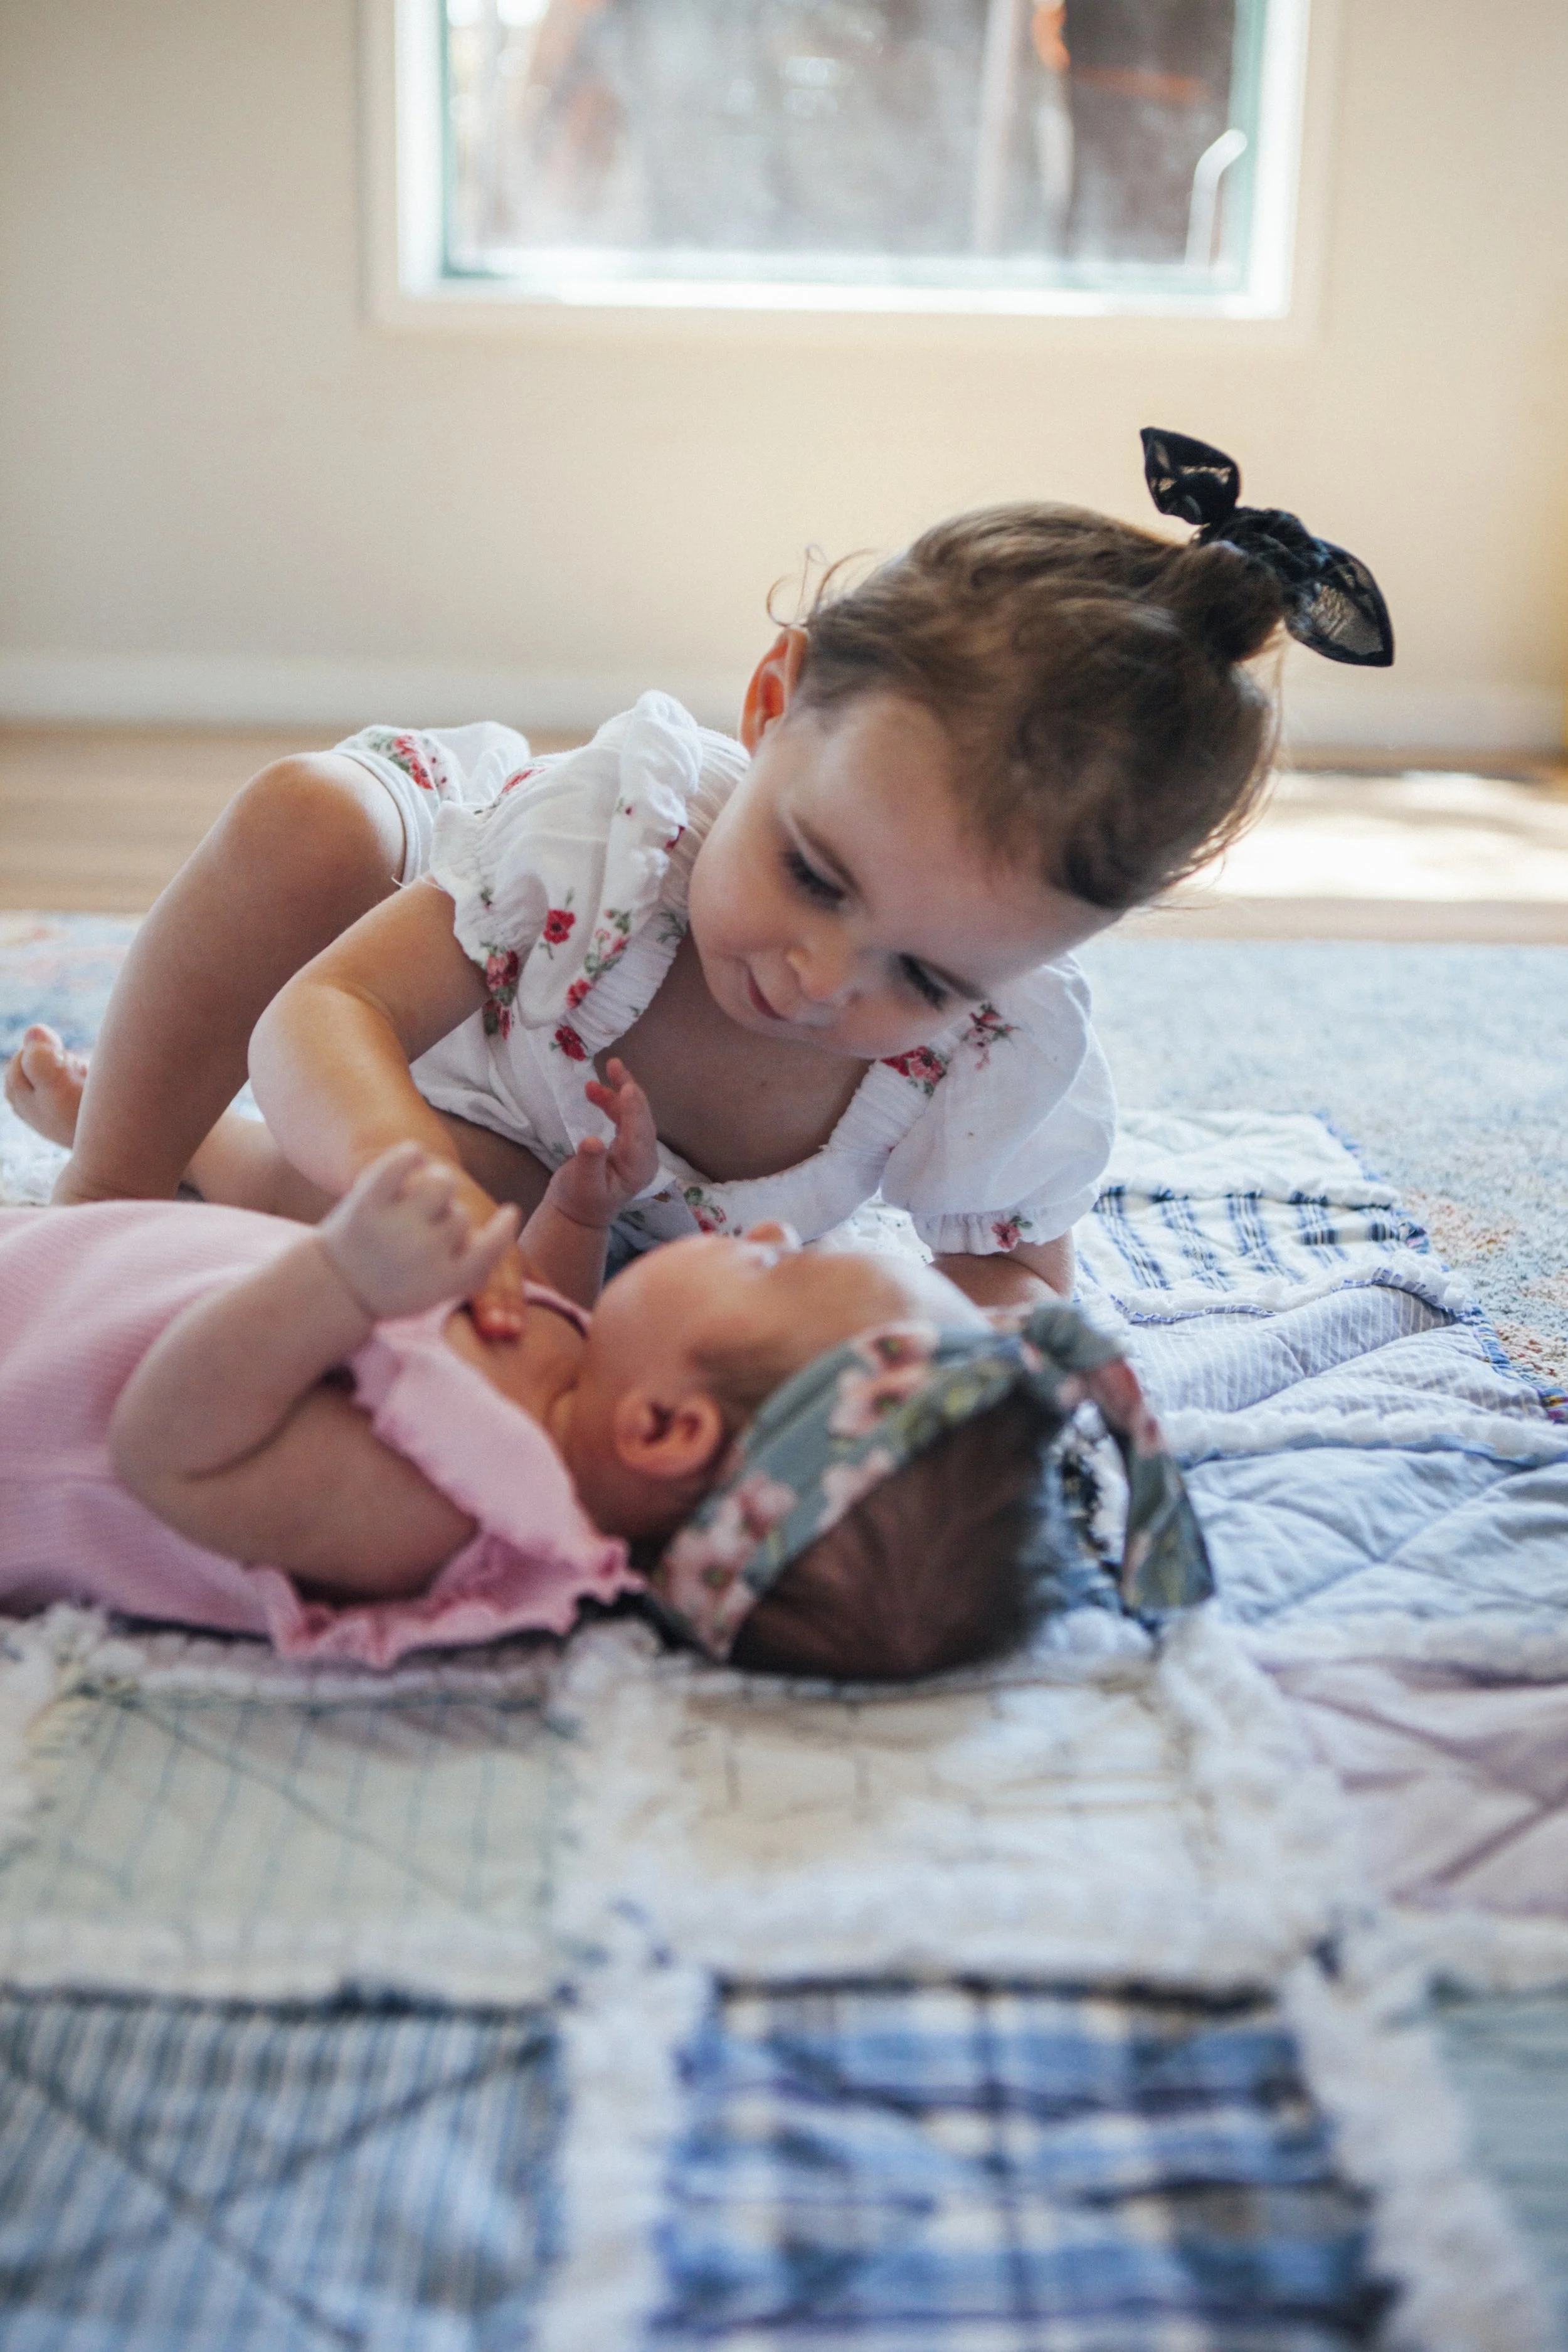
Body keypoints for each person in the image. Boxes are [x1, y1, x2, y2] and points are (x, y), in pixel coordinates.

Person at [6, 430, 1392, 1344]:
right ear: (769, 705)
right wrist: (397, 1171)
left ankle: (212, 1155)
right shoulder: (610, 837)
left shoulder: (993, 1052)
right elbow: (321, 1018)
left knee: (420, 1261)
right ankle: (118, 1167)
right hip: (429, 992)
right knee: (305, 821)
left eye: (924, 975)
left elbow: (1013, 1279)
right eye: (812, 872)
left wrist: (948, 1372)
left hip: (560, 1189)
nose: (816, 978)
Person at [0, 1059, 1011, 1671]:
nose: (781, 1228)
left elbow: (164, 1449)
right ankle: (192, 1147)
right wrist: (580, 1213)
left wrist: (343, 1283)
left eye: (768, 1265)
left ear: (664, 1429)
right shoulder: (571, 1396)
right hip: (71, 1272)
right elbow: (529, 1305)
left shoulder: (431, 1511)